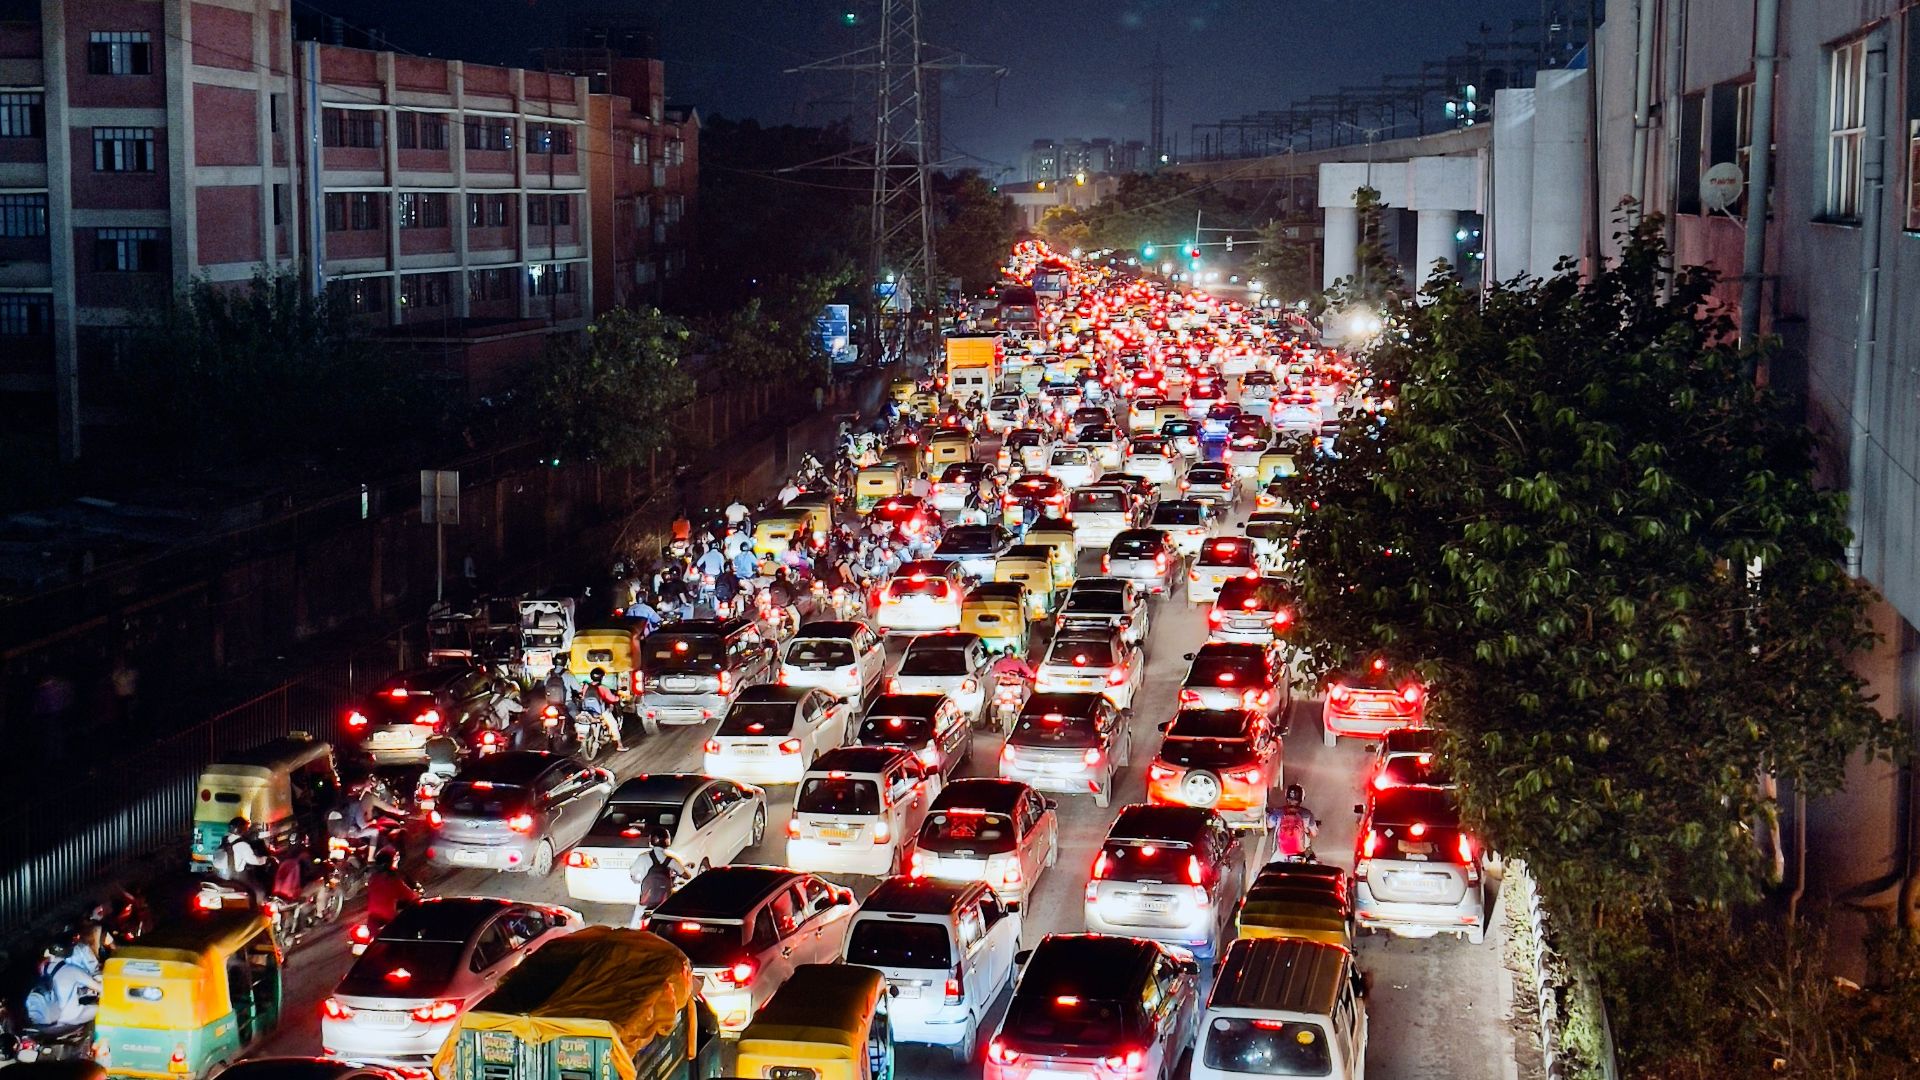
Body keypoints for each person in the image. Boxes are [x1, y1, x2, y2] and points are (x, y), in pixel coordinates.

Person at [24, 936, 101, 1030]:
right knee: (104, 1010)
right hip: (72, 1017)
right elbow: (100, 988)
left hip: (50, 1018)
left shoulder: (43, 969)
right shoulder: (73, 970)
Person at [627, 829, 688, 929]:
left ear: (651, 840)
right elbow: (686, 875)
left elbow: (633, 874)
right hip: (664, 904)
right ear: (667, 841)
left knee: (635, 923)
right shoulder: (670, 860)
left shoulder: (643, 858)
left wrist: (637, 880)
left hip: (646, 902)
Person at [365, 850, 420, 932]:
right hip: (388, 918)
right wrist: (417, 894)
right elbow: (410, 896)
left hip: (372, 918)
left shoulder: (373, 878)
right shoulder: (393, 881)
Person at [1269, 784, 1320, 861]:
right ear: (1301, 798)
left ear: (1287, 797)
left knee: (1269, 870)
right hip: (1301, 852)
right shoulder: (1307, 814)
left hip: (1282, 852)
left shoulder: (1278, 812)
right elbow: (1314, 833)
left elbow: (1269, 825)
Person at [583, 668, 625, 752]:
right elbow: (612, 699)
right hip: (600, 712)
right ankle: (620, 745)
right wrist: (618, 697)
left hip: (588, 710)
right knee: (613, 724)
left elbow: (584, 696)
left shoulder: (586, 686)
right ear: (601, 677)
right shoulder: (603, 688)